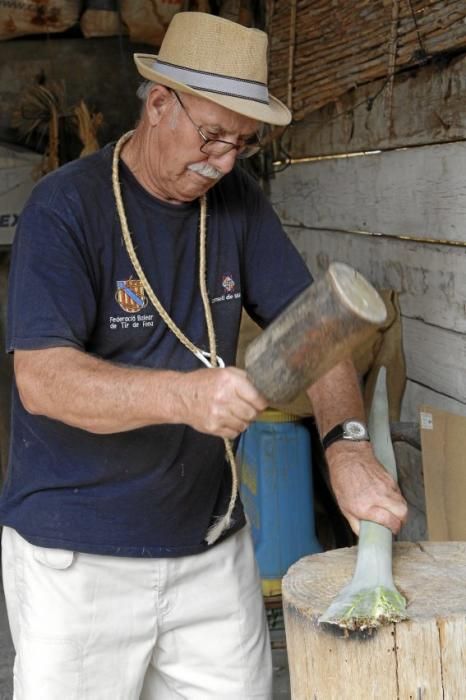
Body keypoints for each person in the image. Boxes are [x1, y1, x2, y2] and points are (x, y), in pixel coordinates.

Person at [1, 11, 407, 700]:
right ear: (160, 104)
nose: (220, 162)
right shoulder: (65, 207)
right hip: (79, 562)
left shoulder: (237, 202)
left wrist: (346, 445)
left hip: (211, 548)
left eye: (240, 145)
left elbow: (318, 332)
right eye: (212, 135)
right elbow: (42, 381)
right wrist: (186, 396)